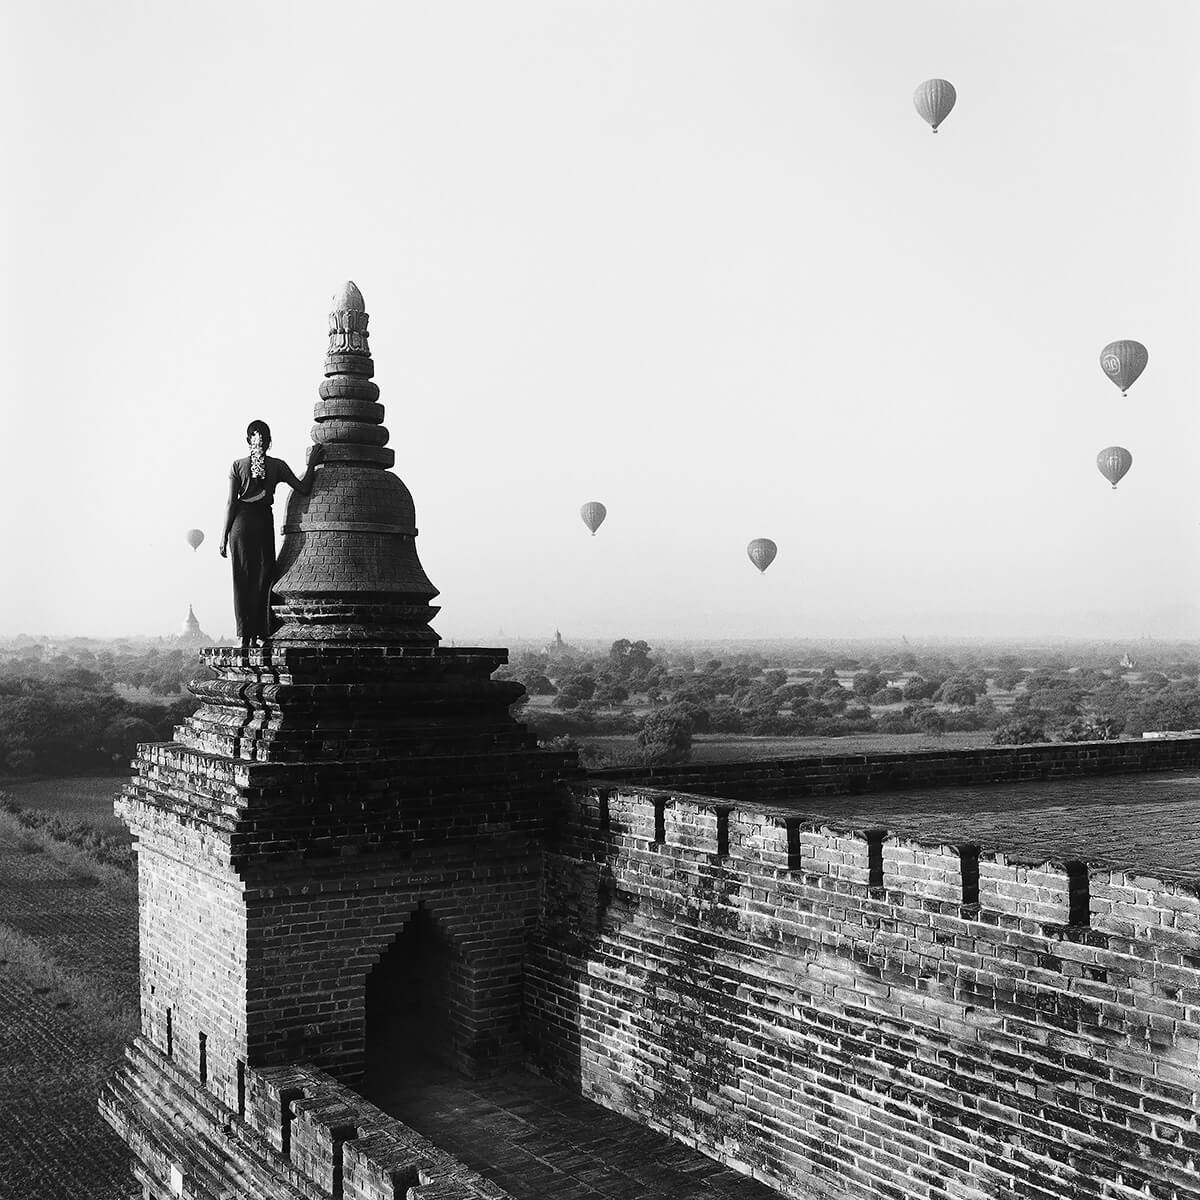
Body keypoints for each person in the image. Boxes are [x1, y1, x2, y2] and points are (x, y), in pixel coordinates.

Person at [219, 420, 324, 649]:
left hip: (241, 524)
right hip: (263, 521)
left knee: (242, 579)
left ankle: (244, 635)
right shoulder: (278, 466)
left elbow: (230, 503)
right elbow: (304, 487)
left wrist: (224, 536)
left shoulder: (237, 465)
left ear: (249, 442)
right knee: (264, 577)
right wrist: (312, 464)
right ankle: (259, 632)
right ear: (268, 442)